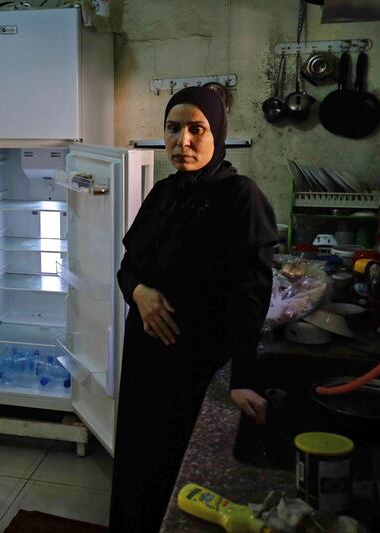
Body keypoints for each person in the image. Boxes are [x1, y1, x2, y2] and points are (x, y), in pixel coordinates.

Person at [108, 86, 278, 532]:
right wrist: (139, 292)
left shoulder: (242, 196)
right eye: (173, 129)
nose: (182, 141)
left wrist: (243, 379)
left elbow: (252, 292)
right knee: (138, 464)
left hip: (196, 363)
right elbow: (128, 267)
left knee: (179, 472)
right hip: (146, 360)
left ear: (217, 133)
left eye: (196, 129)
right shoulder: (163, 193)